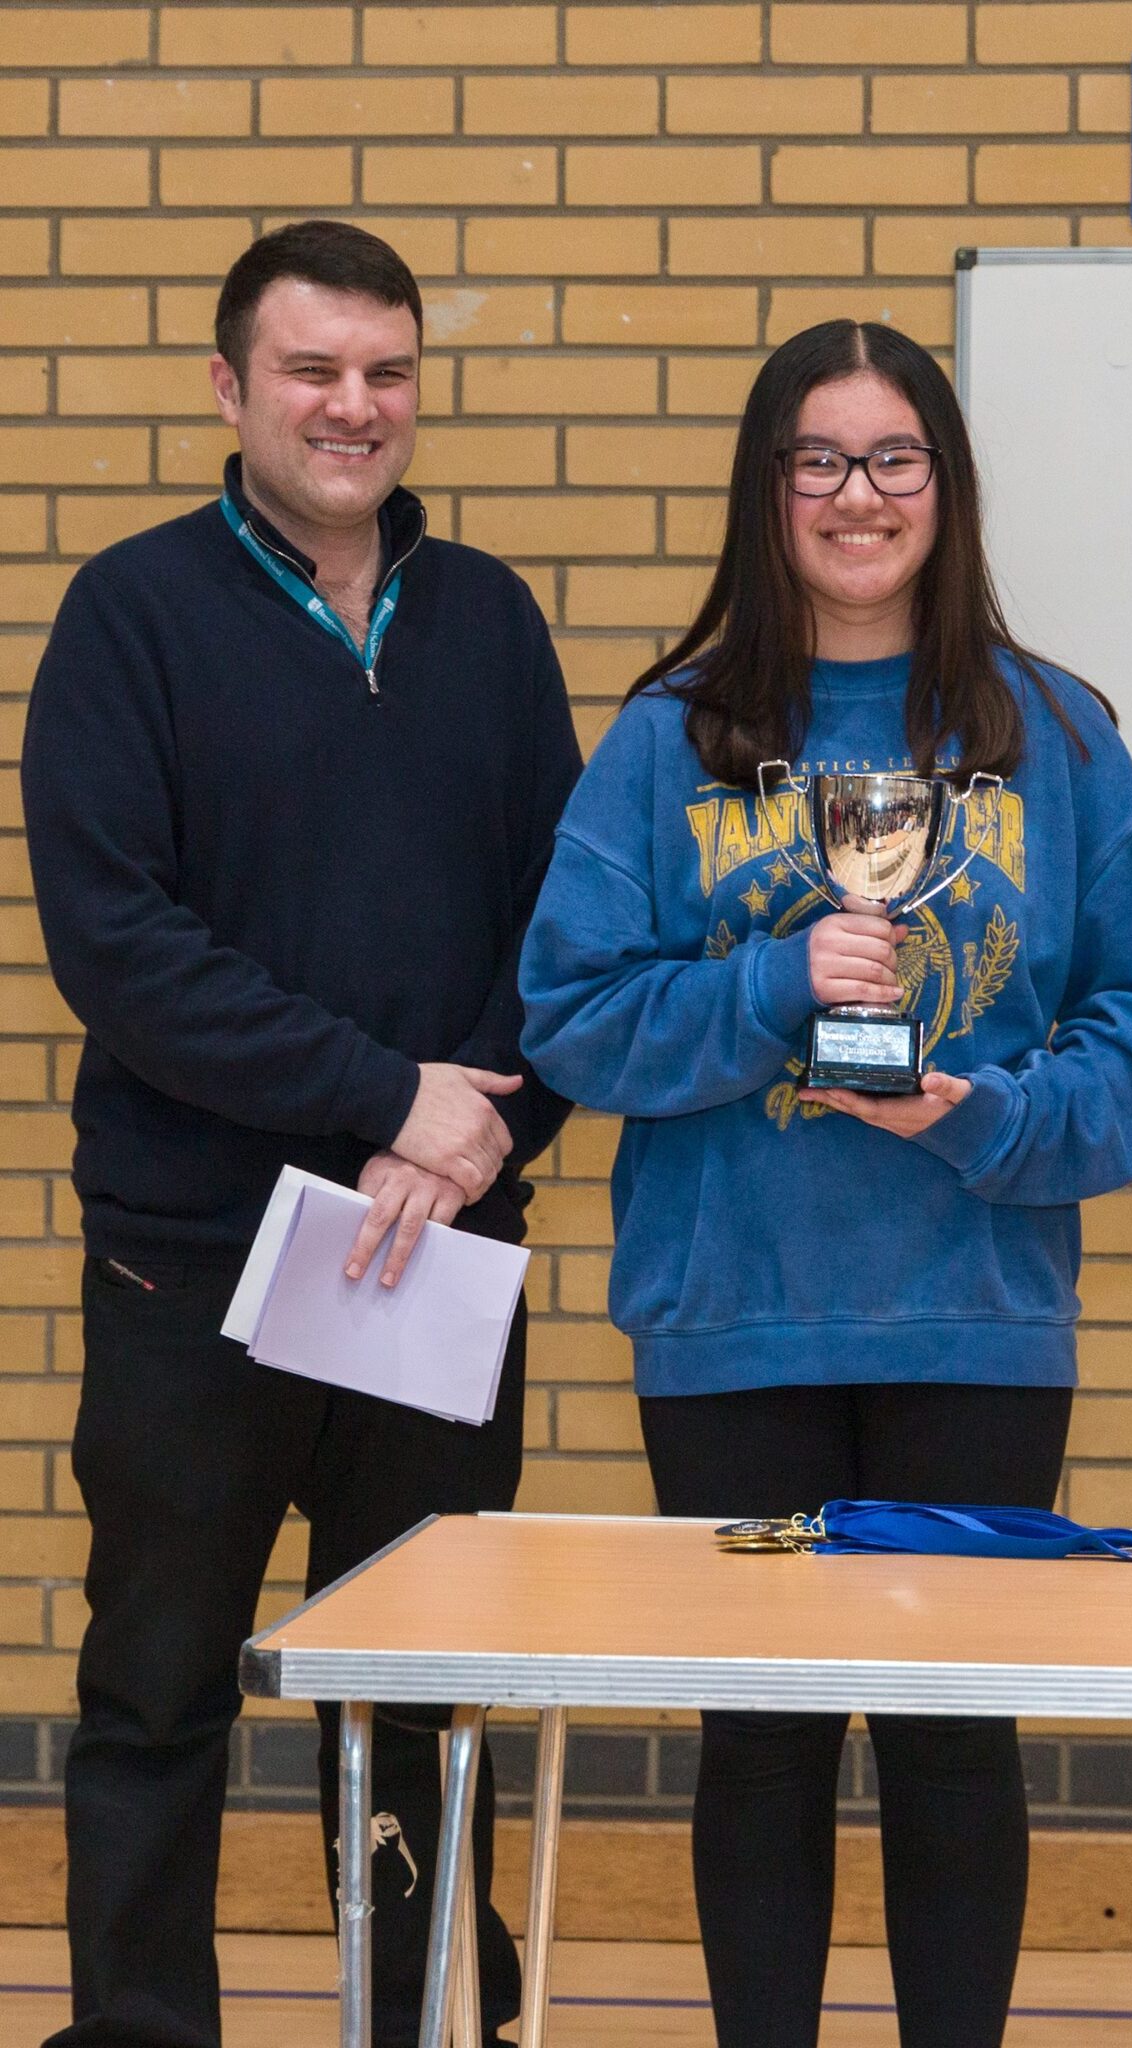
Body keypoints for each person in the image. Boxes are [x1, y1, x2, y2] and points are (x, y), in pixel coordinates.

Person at [519, 318, 1132, 2048]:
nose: (857, 494)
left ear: (947, 489)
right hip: (733, 1332)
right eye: (818, 460)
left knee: (952, 1733)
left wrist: (979, 1115)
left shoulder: (1054, 735)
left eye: (895, 458)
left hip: (973, 1327)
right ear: (769, 492)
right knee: (759, 1735)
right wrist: (775, 992)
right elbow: (572, 1020)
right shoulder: (667, 741)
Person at [23, 220, 580, 2048]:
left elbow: (566, 929)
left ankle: (419, 2023)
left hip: (439, 1262)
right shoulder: (132, 613)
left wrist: (469, 1134)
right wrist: (379, 1096)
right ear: (230, 388)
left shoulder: (489, 619)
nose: (356, 407)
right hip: (198, 1268)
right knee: (160, 1691)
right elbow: (124, 950)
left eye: (387, 373)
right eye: (314, 371)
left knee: (419, 1694)